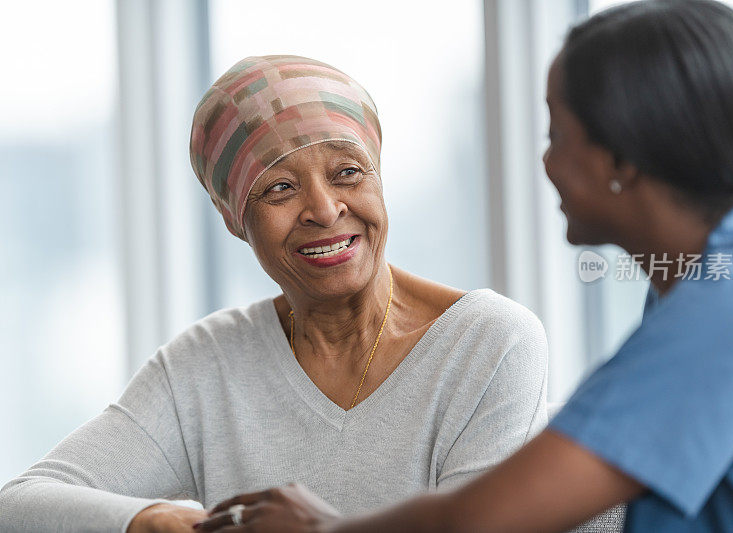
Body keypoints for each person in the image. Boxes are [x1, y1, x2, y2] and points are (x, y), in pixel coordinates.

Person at [195, 2, 733, 532]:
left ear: (621, 160)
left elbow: (486, 520)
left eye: (556, 134)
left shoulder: (730, 316)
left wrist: (325, 529)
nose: (547, 163)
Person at [0, 55, 549, 532]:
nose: (325, 209)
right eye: (280, 188)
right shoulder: (208, 365)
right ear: (234, 218)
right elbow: (19, 505)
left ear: (379, 180)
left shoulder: (490, 341)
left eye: (348, 173)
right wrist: (155, 519)